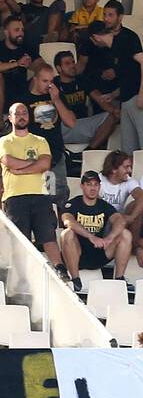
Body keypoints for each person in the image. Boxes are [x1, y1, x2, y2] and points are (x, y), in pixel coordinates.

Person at [81, 3, 143, 154]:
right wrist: (114, 94)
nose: (107, 19)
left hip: (140, 97)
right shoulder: (112, 48)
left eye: (111, 15)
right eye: (105, 15)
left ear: (95, 38)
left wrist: (142, 93)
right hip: (126, 99)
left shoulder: (127, 39)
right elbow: (129, 75)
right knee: (128, 148)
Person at [1, 101, 63, 273]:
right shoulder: (4, 141)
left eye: (25, 113)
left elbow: (45, 164)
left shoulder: (40, 140)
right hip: (14, 197)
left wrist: (21, 171)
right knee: (21, 240)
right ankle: (21, 277)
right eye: (17, 113)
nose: (22, 116)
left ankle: (60, 270)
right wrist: (33, 164)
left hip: (40, 195)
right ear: (10, 118)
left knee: (48, 235)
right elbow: (7, 161)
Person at [59, 170, 134, 291]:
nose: (93, 188)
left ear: (99, 186)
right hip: (77, 253)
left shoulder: (103, 205)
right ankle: (75, 279)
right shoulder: (73, 203)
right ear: (82, 186)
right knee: (67, 233)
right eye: (89, 184)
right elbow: (68, 221)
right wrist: (91, 237)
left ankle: (119, 279)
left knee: (125, 234)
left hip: (99, 252)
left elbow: (120, 221)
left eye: (96, 184)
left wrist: (110, 238)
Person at [15, 60, 74, 203]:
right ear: (35, 79)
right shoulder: (24, 99)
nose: (48, 85)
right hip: (33, 156)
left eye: (51, 81)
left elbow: (71, 122)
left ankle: (58, 224)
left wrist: (56, 100)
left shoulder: (57, 96)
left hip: (55, 155)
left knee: (57, 195)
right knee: (35, 195)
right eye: (44, 81)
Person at [51, 50, 117, 152]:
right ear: (59, 68)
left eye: (73, 62)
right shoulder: (53, 84)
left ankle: (89, 151)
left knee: (111, 117)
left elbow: (100, 99)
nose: (72, 66)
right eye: (67, 63)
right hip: (62, 127)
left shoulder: (81, 80)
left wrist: (114, 111)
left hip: (82, 124)